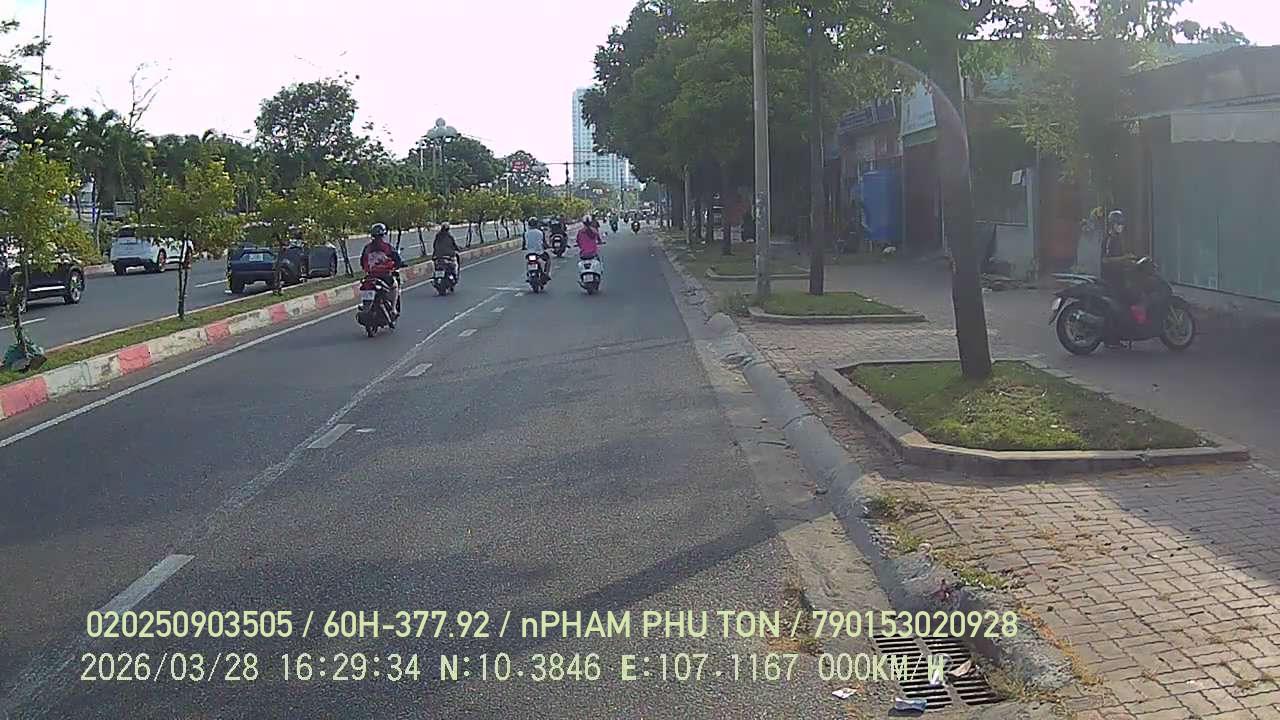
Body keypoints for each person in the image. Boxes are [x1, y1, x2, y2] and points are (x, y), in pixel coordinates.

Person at [360, 222, 405, 323]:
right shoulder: (387, 247)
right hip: (384, 276)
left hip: (370, 276)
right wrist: (397, 265)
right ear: (384, 234)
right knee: (395, 286)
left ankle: (365, 305)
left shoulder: (367, 248)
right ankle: (393, 309)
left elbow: (362, 262)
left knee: (365, 286)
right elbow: (397, 260)